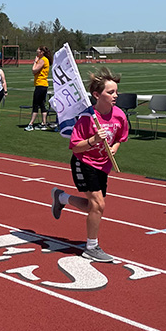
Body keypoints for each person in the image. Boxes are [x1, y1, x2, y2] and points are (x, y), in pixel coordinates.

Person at [50, 68, 130, 263]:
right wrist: (94, 139)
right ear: (96, 95)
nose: (115, 96)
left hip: (103, 164)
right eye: (110, 92)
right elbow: (75, 147)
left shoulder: (119, 115)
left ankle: (61, 198)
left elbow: (121, 137)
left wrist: (115, 147)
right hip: (84, 162)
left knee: (94, 207)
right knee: (98, 205)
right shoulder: (87, 118)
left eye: (116, 92)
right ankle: (91, 247)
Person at [25, 46, 51, 131]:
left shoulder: (43, 60)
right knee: (42, 104)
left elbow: (34, 70)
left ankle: (31, 124)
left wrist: (35, 62)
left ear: (42, 52)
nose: (37, 51)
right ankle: (44, 123)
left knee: (35, 104)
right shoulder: (44, 59)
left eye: (38, 50)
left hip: (41, 84)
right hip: (42, 84)